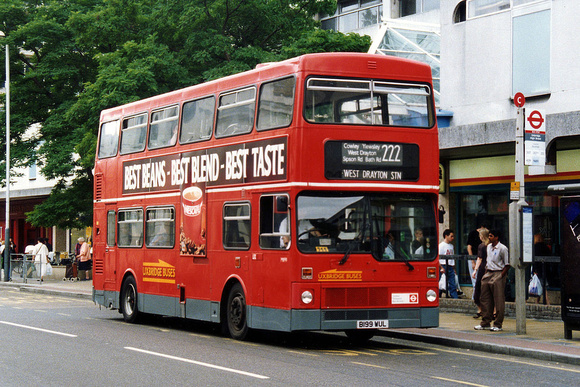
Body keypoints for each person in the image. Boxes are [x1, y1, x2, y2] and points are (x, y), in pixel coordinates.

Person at [475, 229, 510, 332]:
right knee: (485, 298)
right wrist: (486, 273)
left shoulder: (503, 248)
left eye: (491, 236)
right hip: (488, 272)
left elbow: (507, 265)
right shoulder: (488, 247)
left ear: (496, 237)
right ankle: (485, 322)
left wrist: (500, 276)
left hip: (498, 272)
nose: (489, 238)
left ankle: (498, 324)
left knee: (498, 300)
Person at [472, 228, 489, 318]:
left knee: (478, 290)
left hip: (483, 270)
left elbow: (480, 258)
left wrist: (475, 270)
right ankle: (493, 311)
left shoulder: (482, 246)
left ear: (481, 236)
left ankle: (480, 310)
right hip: (490, 269)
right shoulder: (491, 245)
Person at [532, 233, 551, 305]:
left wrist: (534, 270)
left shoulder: (535, 247)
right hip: (545, 268)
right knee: (542, 285)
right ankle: (539, 301)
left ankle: (546, 301)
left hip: (538, 269)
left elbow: (534, 260)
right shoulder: (545, 247)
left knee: (541, 285)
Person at [439, 229, 458, 299]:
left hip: (450, 265)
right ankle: (438, 297)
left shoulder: (451, 246)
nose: (452, 238)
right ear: (446, 236)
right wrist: (440, 267)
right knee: (441, 283)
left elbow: (452, 258)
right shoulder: (441, 246)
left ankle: (455, 298)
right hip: (443, 265)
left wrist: (453, 268)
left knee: (452, 283)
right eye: (451, 236)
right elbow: (438, 257)